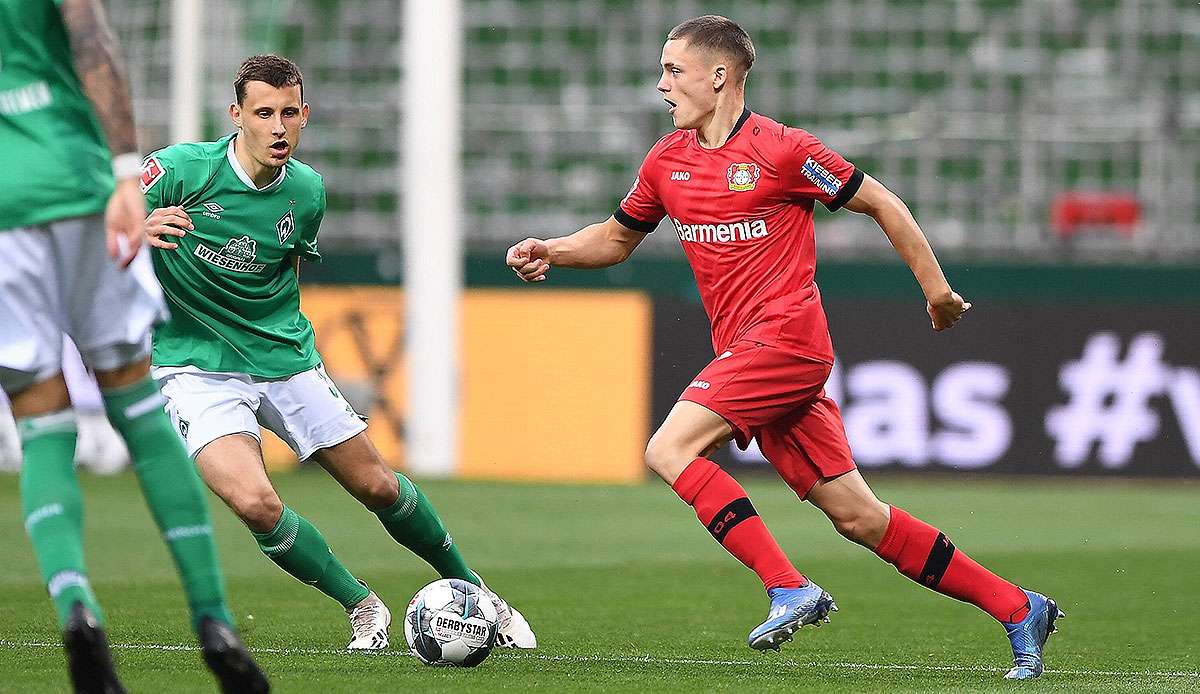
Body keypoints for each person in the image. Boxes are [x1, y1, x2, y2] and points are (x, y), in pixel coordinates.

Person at [506, 15, 1061, 680]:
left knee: (668, 448)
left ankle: (787, 586)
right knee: (858, 516)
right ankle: (1017, 606)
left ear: (719, 76)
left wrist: (936, 291)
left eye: (672, 70)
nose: (661, 85)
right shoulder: (666, 162)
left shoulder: (783, 151)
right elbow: (617, 238)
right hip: (749, 351)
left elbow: (882, 201)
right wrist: (553, 250)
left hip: (788, 342)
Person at [141, 54, 535, 652]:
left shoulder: (307, 191)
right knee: (254, 501)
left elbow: (287, 268)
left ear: (305, 117)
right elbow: (95, 213)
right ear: (236, 116)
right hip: (195, 366)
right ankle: (362, 606)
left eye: (290, 113)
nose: (278, 127)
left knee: (376, 485)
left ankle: (480, 595)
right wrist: (132, 230)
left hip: (284, 359)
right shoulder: (178, 171)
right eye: (263, 113)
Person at [0, 1, 268, 692]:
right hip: (77, 179)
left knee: (41, 425)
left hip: (4, 213)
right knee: (139, 407)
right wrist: (127, 171)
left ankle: (76, 608)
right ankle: (212, 618)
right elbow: (91, 39)